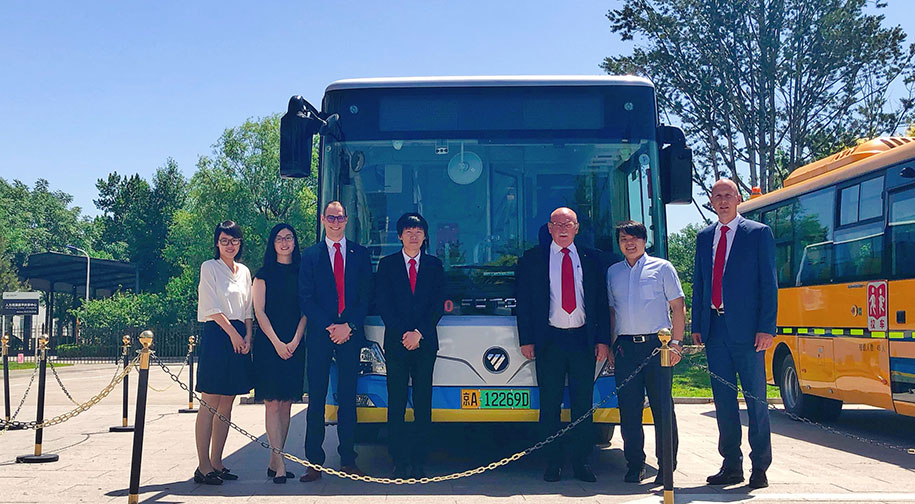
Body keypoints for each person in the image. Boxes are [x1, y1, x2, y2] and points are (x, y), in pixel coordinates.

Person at [691, 178, 777, 489]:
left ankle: (760, 467)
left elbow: (769, 283)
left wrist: (766, 328)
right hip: (715, 330)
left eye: (728, 195)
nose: (723, 200)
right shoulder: (704, 237)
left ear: (738, 199)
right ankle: (731, 465)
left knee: (756, 401)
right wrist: (697, 325)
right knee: (723, 402)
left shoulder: (757, 233)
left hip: (749, 332)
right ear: (711, 201)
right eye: (717, 196)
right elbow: (700, 282)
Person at [515, 207, 611, 483]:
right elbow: (524, 302)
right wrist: (526, 339)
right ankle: (552, 463)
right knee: (550, 405)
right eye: (557, 224)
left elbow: (601, 303)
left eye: (568, 224)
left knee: (582, 404)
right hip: (549, 341)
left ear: (577, 228)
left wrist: (603, 340)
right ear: (549, 228)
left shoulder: (592, 259)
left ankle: (581, 462)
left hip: (583, 341)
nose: (562, 229)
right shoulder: (533, 259)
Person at [298, 201, 372, 481]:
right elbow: (305, 297)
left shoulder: (360, 254)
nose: (335, 222)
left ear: (347, 220)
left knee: (348, 398)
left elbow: (366, 296)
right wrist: (330, 326)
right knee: (316, 399)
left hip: (350, 335)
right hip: (321, 335)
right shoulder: (310, 255)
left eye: (340, 218)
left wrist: (348, 326)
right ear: (323, 219)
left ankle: (348, 460)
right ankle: (314, 462)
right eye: (331, 217)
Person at [607, 220, 685, 485]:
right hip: (625, 348)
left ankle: (666, 466)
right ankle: (634, 464)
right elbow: (612, 312)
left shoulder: (662, 268)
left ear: (644, 241)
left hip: (657, 347)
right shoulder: (613, 273)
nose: (629, 244)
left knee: (663, 408)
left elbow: (678, 306)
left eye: (634, 239)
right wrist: (611, 345)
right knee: (629, 410)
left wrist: (676, 343)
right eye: (623, 240)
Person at [375, 213, 445, 479]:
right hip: (396, 343)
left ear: (425, 236)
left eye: (418, 231)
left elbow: (438, 304)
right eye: (408, 231)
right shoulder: (387, 265)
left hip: (425, 343)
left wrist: (419, 333)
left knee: (423, 402)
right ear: (400, 236)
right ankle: (398, 459)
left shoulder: (434, 265)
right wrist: (405, 333)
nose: (414, 236)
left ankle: (419, 459)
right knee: (396, 402)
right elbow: (383, 303)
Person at [194, 220, 254, 485]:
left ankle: (217, 461)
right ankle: (203, 465)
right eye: (224, 241)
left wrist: (247, 336)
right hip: (218, 334)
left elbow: (248, 308)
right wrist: (233, 334)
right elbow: (211, 307)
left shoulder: (244, 271)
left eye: (234, 240)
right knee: (210, 400)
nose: (230, 245)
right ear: (217, 243)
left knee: (227, 401)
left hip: (240, 334)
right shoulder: (209, 267)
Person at [252, 223, 306, 484]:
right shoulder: (263, 274)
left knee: (286, 403)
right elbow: (259, 311)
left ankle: (276, 460)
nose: (284, 242)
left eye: (289, 238)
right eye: (279, 238)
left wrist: (295, 340)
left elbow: (306, 310)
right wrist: (276, 342)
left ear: (295, 242)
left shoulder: (303, 272)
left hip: (295, 342)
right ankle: (281, 463)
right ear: (272, 244)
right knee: (272, 402)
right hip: (269, 344)